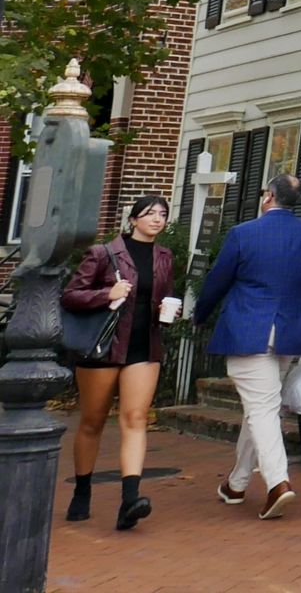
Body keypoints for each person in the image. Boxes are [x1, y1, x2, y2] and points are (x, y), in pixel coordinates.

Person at [194, 173, 301, 520]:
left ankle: (277, 483)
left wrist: (199, 315)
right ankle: (237, 484)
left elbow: (216, 281)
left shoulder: (243, 234)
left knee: (261, 409)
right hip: (290, 333)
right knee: (261, 408)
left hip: (249, 331)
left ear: (269, 196)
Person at [60, 195, 177, 530]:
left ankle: (130, 499)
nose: (157, 219)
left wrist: (168, 312)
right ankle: (82, 491)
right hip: (104, 348)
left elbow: (163, 296)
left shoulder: (164, 257)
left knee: (136, 418)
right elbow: (70, 296)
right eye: (150, 213)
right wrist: (105, 294)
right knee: (92, 422)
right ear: (133, 219)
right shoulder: (103, 253)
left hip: (144, 346)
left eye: (163, 214)